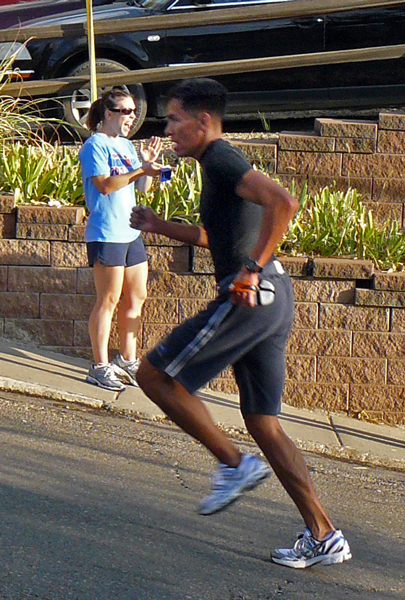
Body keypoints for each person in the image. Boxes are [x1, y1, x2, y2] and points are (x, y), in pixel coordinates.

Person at [130, 78, 351, 569]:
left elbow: (284, 202)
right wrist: (159, 226)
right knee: (264, 423)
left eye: (173, 119)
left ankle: (234, 465)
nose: (168, 129)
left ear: (202, 121)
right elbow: (218, 236)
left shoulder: (222, 158)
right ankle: (325, 534)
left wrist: (250, 270)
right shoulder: (217, 166)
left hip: (251, 293)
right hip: (272, 295)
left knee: (153, 376)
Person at [78, 89, 163, 391]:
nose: (132, 117)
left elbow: (142, 188)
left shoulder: (127, 146)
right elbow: (104, 186)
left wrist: (148, 167)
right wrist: (139, 167)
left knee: (136, 297)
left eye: (134, 111)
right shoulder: (94, 146)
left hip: (131, 232)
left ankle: (127, 359)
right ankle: (99, 366)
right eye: (126, 111)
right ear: (108, 114)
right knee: (109, 300)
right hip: (106, 232)